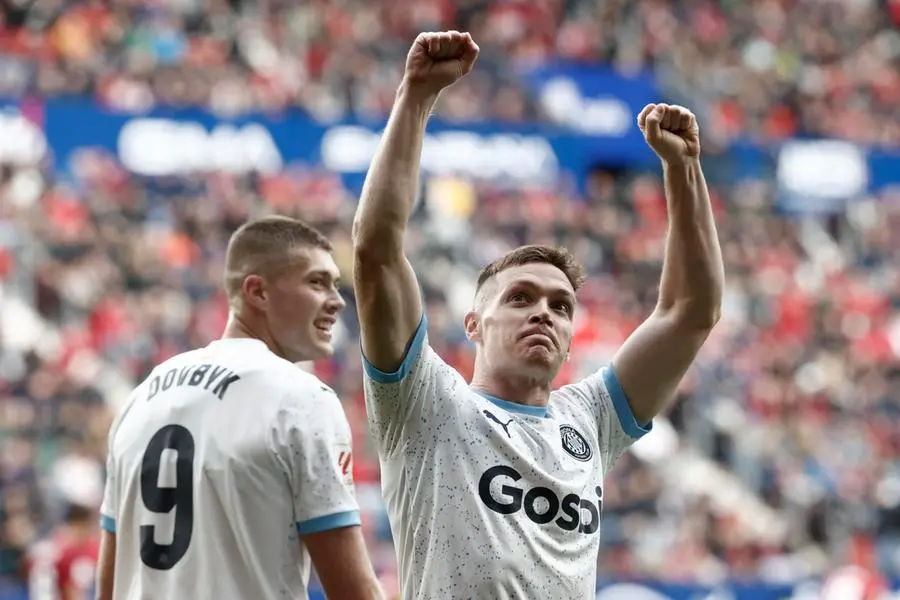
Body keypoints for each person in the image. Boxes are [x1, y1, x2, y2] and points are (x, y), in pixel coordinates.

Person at [351, 30, 724, 599]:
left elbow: (690, 313)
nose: (544, 313)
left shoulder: (590, 420)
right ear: (473, 324)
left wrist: (685, 169)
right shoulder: (426, 404)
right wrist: (417, 97)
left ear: (571, 337)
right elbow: (376, 250)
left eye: (560, 306)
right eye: (520, 298)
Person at [95, 216, 384, 600]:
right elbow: (352, 591)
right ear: (257, 291)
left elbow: (109, 585)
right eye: (317, 282)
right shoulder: (302, 401)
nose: (337, 301)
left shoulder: (140, 398)